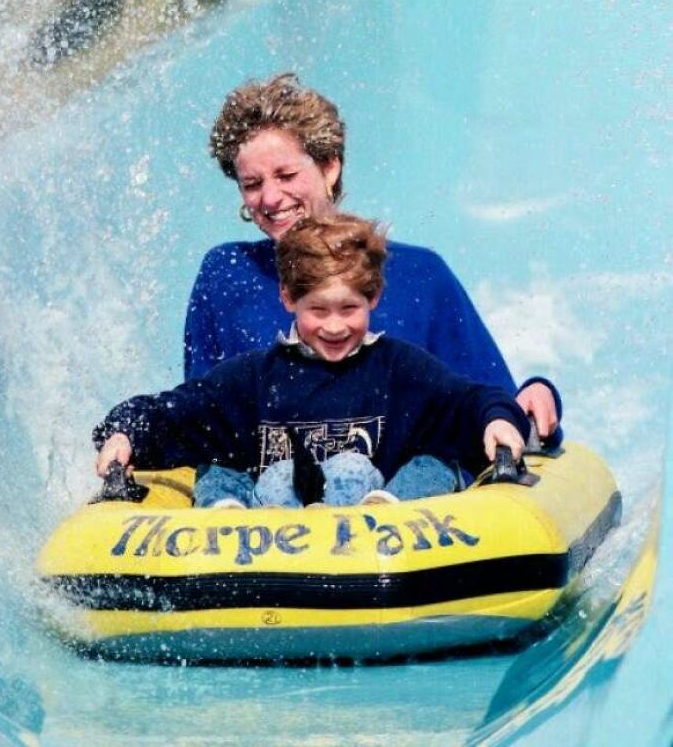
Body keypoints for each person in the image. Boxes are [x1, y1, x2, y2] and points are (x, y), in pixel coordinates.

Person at [184, 73, 562, 441]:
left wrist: (536, 393)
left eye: (286, 175)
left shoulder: (420, 275)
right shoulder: (226, 274)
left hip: (400, 482)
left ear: (329, 166)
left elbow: (491, 403)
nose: (269, 198)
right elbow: (199, 416)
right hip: (267, 481)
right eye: (252, 184)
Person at [95, 214, 531, 509]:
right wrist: (124, 432)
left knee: (434, 465)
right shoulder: (255, 377)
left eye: (349, 309)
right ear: (288, 299)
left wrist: (497, 419)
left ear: (374, 298)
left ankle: (388, 510)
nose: (335, 326)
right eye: (318, 310)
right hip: (271, 526)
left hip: (381, 531)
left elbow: (466, 399)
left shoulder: (399, 369)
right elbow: (179, 410)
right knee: (218, 464)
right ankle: (226, 517)